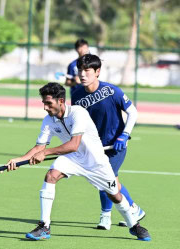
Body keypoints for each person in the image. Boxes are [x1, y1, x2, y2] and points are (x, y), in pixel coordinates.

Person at [6, 83, 151, 241]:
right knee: (51, 176)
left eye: (49, 103)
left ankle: (134, 225)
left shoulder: (78, 113)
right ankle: (44, 226)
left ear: (61, 101)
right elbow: (39, 146)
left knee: (115, 195)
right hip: (72, 158)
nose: (45, 108)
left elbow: (73, 145)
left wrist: (45, 152)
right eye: (44, 103)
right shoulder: (48, 120)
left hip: (95, 161)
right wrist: (18, 160)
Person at [72, 54, 145, 230]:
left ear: (97, 72)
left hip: (116, 145)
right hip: (95, 146)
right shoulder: (76, 95)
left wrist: (124, 135)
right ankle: (134, 208)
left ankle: (105, 216)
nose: (82, 74)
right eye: (80, 70)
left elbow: (133, 112)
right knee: (113, 181)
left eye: (87, 70)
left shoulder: (112, 91)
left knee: (104, 178)